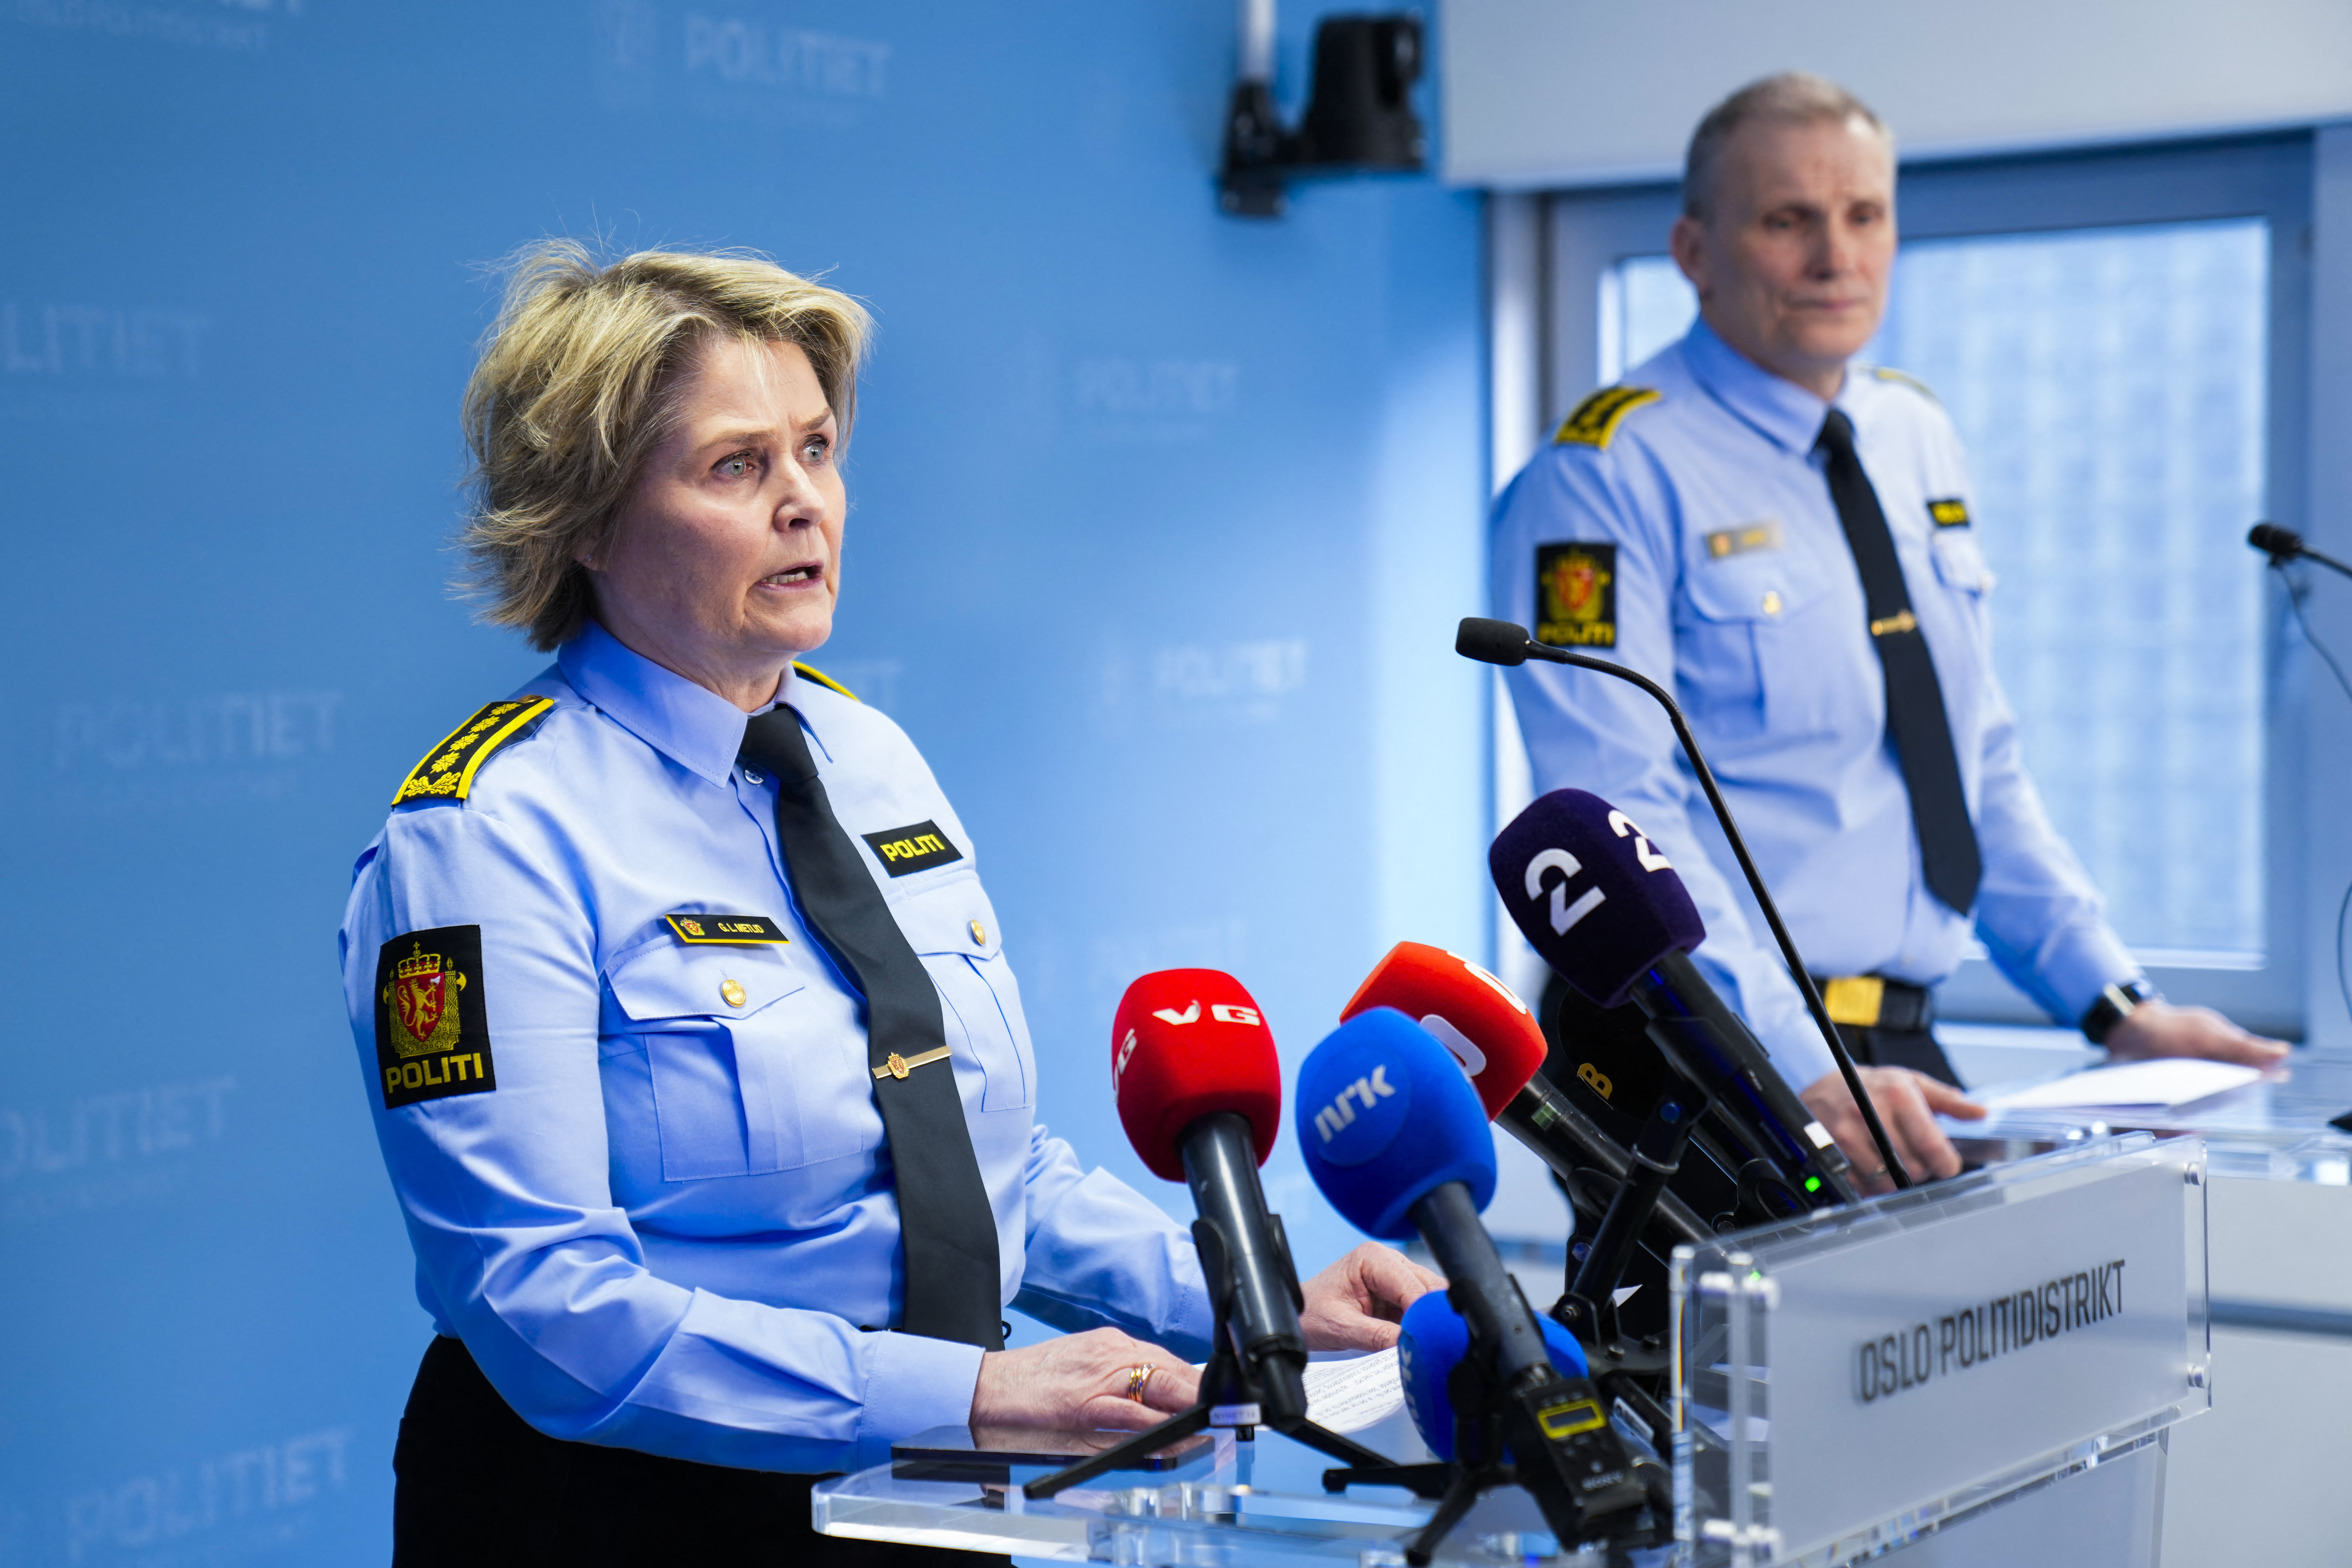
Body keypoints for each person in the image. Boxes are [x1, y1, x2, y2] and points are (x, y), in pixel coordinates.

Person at [338, 244, 1440, 1566]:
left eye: (816, 448)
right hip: (626, 1508)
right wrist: (970, 1395)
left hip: (922, 1487)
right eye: (737, 467)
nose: (805, 503)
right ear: (584, 521)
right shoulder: (485, 836)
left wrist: (1252, 1307)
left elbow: (986, 1170)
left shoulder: (867, 758)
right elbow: (540, 1306)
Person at [1491, 74, 2286, 1190]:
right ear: (1692, 250)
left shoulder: (1911, 433)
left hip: (1897, 1052)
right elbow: (1624, 823)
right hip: (1717, 1058)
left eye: (1865, 215)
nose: (1836, 255)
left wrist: (2118, 1005)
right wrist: (1794, 1064)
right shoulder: (1605, 478)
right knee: (1726, 1371)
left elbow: (1973, 772)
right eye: (1787, 220)